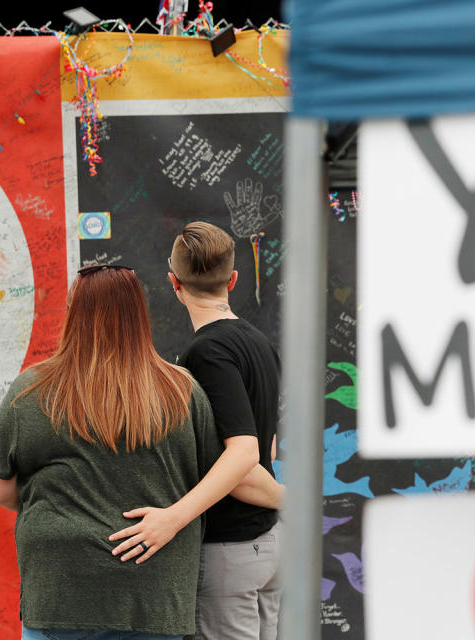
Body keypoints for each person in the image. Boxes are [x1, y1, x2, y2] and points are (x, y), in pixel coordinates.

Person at [0, 264, 222, 640]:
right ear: (139, 315)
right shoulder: (183, 391)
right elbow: (215, 477)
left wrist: (57, 507)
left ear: (73, 314)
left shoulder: (31, 390)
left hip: (60, 595)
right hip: (156, 597)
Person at [108, 222, 284, 640]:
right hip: (267, 547)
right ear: (233, 279)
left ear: (173, 283)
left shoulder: (205, 353)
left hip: (231, 554)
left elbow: (244, 456)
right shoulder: (260, 343)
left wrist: (172, 518)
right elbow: (268, 447)